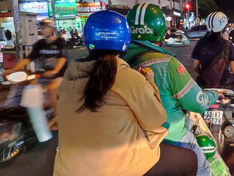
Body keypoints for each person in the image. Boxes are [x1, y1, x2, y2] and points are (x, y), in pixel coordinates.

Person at [54, 10, 198, 176]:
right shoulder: (129, 77)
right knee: (190, 160)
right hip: (118, 169)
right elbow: (157, 119)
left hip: (67, 169)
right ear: (124, 40)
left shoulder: (68, 78)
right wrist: (149, 81)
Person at [122, 3, 219, 176]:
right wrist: (213, 94)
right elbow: (198, 103)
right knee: (203, 166)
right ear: (159, 30)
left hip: (125, 141)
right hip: (169, 137)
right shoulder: (166, 64)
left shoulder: (113, 62)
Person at [192, 11, 234, 141]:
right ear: (223, 27)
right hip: (225, 83)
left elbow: (195, 66)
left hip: (204, 84)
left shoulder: (200, 43)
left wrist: (203, 76)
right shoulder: (228, 45)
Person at [2, 18, 66, 112]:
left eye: (46, 28)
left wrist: (55, 71)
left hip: (60, 75)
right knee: (26, 86)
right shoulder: (40, 44)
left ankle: (58, 117)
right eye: (42, 28)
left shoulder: (61, 42)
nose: (44, 30)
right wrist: (14, 69)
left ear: (52, 29)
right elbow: (29, 58)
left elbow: (63, 58)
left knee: (51, 89)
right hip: (43, 74)